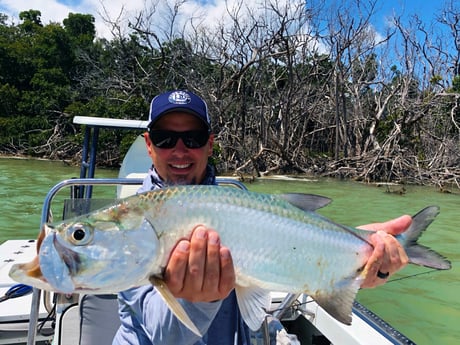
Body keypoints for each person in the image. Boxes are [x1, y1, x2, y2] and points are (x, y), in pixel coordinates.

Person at [112, 90, 411, 345]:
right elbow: (163, 337)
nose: (180, 150)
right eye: (165, 138)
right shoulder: (133, 221)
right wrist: (196, 299)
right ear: (149, 145)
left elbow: (289, 249)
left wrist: (356, 256)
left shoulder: (241, 206)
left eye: (193, 138)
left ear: (210, 143)